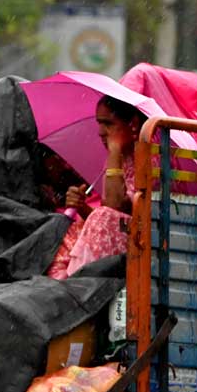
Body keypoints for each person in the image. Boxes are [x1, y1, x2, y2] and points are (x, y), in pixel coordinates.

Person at [48, 96, 146, 280]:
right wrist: (82, 207)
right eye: (99, 123)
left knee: (103, 217)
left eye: (108, 123)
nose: (101, 132)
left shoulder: (150, 158)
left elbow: (114, 207)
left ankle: (76, 287)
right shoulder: (118, 159)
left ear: (133, 123)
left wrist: (115, 150)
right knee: (63, 226)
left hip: (143, 246)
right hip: (123, 239)